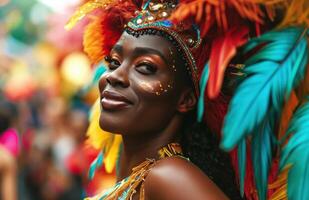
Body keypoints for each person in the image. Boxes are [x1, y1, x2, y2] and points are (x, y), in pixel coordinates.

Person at [67, 0, 309, 199]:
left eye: (146, 67)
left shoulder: (168, 176)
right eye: (114, 62)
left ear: (186, 99)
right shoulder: (142, 180)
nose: (114, 76)